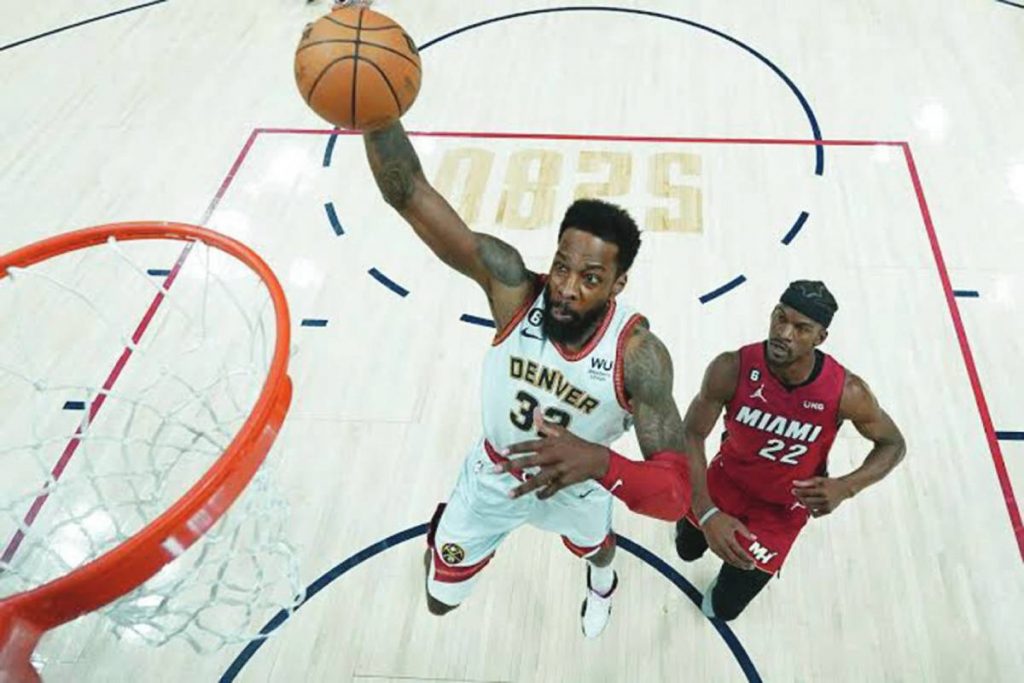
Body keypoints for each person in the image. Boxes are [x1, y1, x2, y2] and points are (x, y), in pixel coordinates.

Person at [361, 121, 692, 637]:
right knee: (438, 603)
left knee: (599, 549)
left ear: (617, 283)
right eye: (562, 267)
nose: (566, 288)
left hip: (579, 487)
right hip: (493, 477)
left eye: (590, 279)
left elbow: (676, 495)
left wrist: (601, 461)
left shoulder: (639, 357)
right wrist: (376, 115)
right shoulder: (513, 291)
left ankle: (602, 583)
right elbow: (408, 192)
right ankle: (452, 538)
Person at [674, 280, 907, 621]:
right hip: (723, 482)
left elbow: (894, 444)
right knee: (686, 550)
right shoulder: (731, 368)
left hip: (782, 510)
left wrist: (846, 486)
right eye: (780, 318)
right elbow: (691, 433)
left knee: (723, 608)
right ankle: (698, 530)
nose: (784, 333)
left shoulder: (847, 392)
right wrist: (707, 513)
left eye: (801, 328)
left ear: (820, 338)